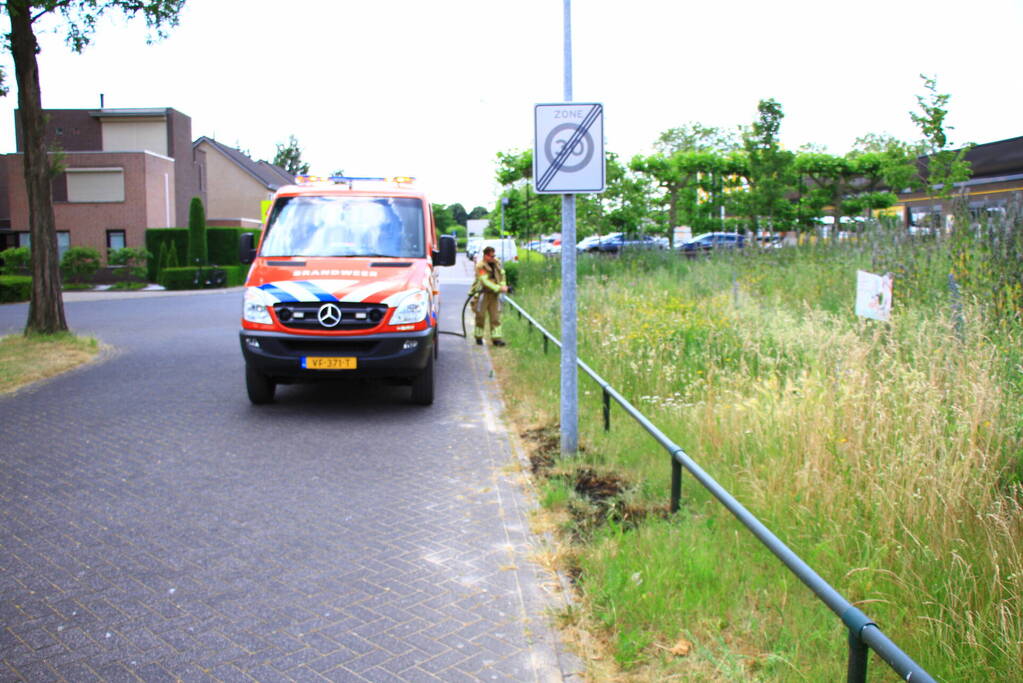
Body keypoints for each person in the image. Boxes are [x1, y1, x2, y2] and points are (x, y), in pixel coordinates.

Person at [472, 246, 508, 346]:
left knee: (495, 317)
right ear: (485, 255)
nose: (493, 258)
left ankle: (497, 339)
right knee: (480, 316)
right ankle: (478, 338)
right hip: (483, 294)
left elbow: (502, 275)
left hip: (494, 295)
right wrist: (498, 288)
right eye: (491, 256)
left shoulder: (496, 263)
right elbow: (485, 281)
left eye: (494, 255)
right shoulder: (480, 266)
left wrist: (503, 285)